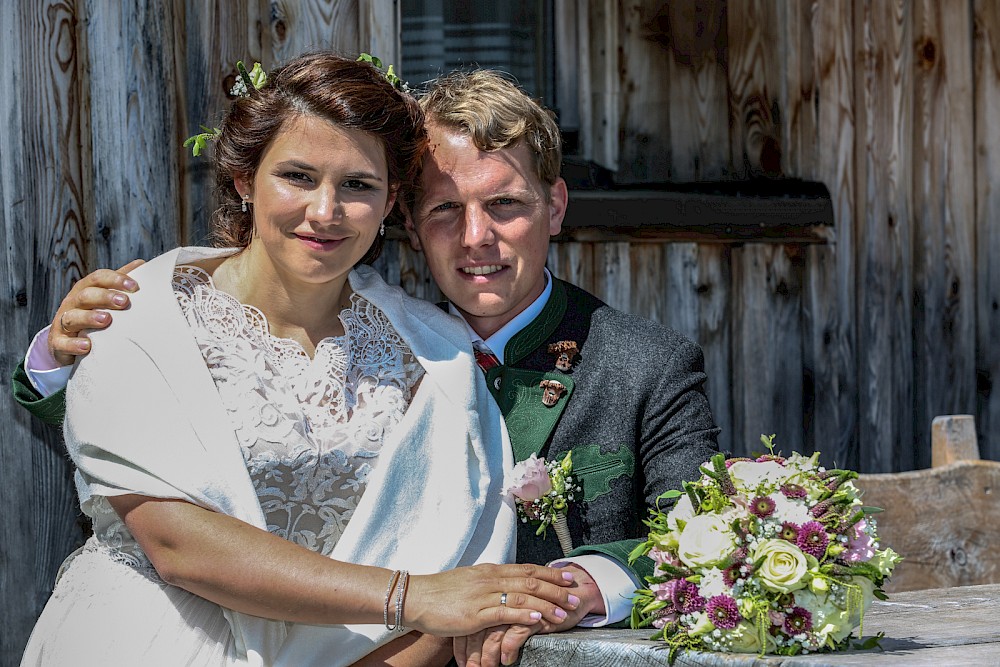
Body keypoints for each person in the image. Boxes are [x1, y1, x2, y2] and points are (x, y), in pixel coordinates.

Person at [14, 69, 719, 666]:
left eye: (505, 204)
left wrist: (580, 583)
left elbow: (703, 536)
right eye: (446, 209)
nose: (477, 238)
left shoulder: (642, 363)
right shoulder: (385, 329)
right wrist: (59, 360)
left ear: (554, 206)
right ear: (408, 220)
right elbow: (190, 444)